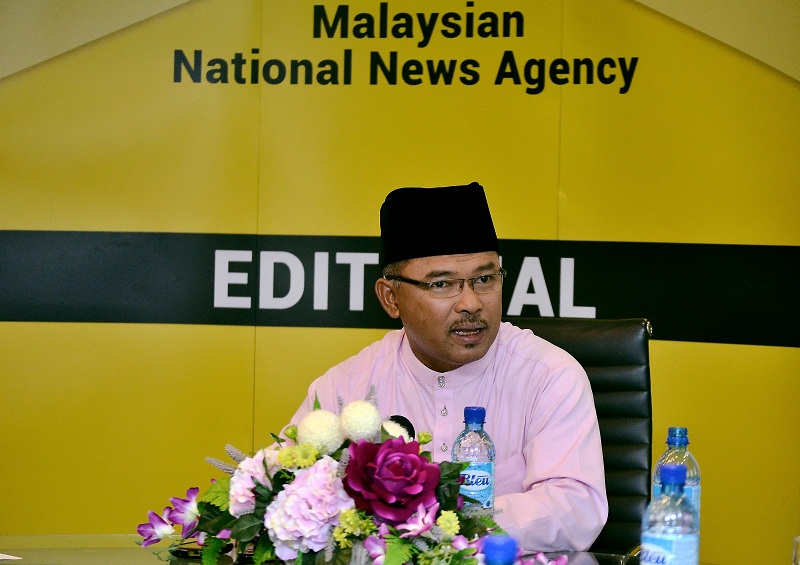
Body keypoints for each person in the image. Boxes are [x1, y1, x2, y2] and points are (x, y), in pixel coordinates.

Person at [289, 182, 608, 552]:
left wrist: (436, 520)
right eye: (442, 284)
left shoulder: (549, 376)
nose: (471, 302)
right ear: (391, 298)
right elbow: (292, 496)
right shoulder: (343, 388)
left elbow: (576, 510)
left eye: (485, 279)